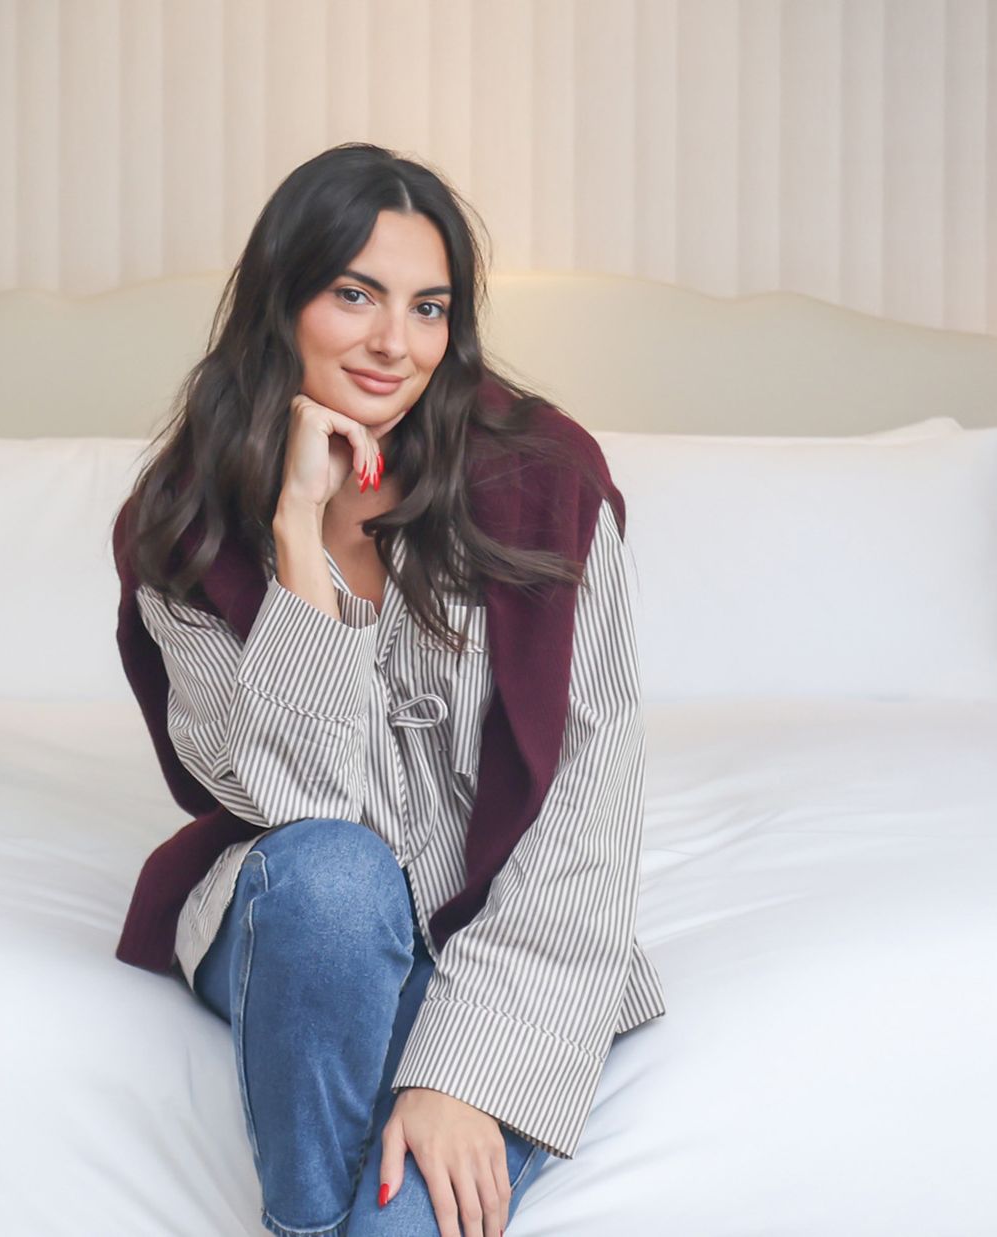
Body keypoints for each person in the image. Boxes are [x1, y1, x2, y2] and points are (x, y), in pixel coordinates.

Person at [108, 143, 662, 1237]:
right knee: (332, 876)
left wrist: (459, 1072)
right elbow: (295, 801)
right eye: (353, 294)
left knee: (397, 1223)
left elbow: (590, 802)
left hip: (506, 948)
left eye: (428, 307)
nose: (392, 344)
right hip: (301, 922)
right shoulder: (185, 521)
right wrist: (296, 535)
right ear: (283, 301)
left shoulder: (547, 478)